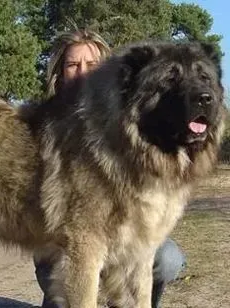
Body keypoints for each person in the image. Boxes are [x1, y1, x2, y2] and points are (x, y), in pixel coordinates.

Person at [33, 27, 187, 308]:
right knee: (68, 266)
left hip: (122, 235)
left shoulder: (131, 122)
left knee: (167, 259)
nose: (82, 72)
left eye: (92, 65)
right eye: (72, 64)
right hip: (63, 243)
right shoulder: (42, 124)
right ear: (59, 74)